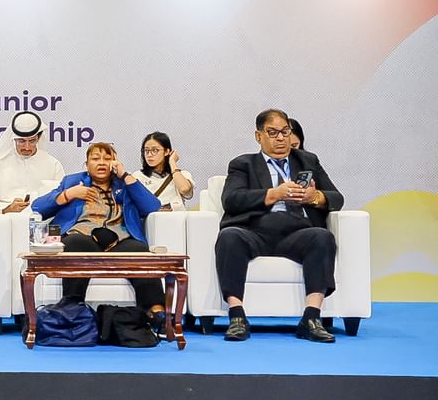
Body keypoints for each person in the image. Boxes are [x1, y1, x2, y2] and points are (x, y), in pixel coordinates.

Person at [215, 108, 343, 343]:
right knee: (229, 236)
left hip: (297, 233)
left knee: (322, 237)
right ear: (259, 136)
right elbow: (231, 199)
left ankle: (311, 319)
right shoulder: (243, 164)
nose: (281, 138)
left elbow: (337, 198)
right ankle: (237, 317)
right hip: (255, 232)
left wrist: (314, 197)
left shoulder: (307, 160)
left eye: (285, 131)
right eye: (273, 133)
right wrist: (274, 194)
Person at [32, 142, 166, 327]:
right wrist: (68, 194)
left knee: (140, 251)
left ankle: (156, 312)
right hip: (83, 236)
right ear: (87, 164)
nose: (101, 162)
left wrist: (125, 175)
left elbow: (152, 207)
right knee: (75, 244)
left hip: (119, 239)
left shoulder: (125, 184)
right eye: (95, 158)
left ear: (114, 163)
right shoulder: (72, 182)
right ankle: (72, 308)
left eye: (107, 158)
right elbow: (38, 207)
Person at [0, 111, 65, 214]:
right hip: (5, 219)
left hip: (42, 218)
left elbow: (62, 197)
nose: (27, 147)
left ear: (39, 138)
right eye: (21, 141)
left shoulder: (53, 165)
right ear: (14, 139)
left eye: (32, 141)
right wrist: (6, 208)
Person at [132, 132, 194, 211]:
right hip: (151, 218)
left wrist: (172, 162)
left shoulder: (181, 175)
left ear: (166, 151)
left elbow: (184, 189)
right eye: (146, 150)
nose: (149, 155)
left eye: (155, 150)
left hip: (177, 218)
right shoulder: (137, 176)